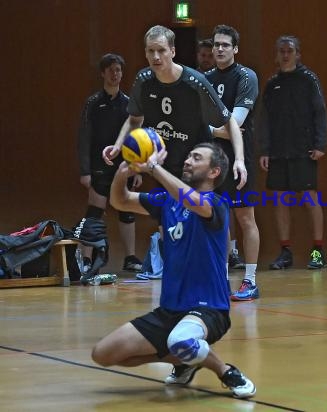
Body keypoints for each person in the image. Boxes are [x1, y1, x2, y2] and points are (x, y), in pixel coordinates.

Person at [91, 142, 256, 399]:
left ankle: (225, 371)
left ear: (214, 172)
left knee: (181, 340)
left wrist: (154, 167)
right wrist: (124, 170)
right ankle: (183, 362)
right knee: (103, 354)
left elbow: (193, 201)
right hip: (170, 310)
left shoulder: (216, 203)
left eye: (197, 158)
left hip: (209, 308)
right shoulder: (166, 202)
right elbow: (120, 201)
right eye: (188, 155)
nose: (188, 161)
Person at [102, 25, 246, 192]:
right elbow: (134, 119)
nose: (156, 56)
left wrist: (239, 160)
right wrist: (118, 146)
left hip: (195, 167)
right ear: (145, 53)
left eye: (161, 50)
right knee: (167, 216)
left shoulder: (195, 82)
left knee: (195, 215)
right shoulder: (143, 80)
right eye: (151, 51)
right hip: (163, 166)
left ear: (173, 52)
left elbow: (230, 122)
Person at [259, 35, 327, 270]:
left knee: (310, 199)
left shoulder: (309, 79)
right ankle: (285, 251)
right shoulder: (272, 83)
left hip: (304, 149)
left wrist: (320, 144)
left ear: (298, 54)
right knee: (279, 200)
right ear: (276, 55)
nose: (285, 55)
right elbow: (265, 119)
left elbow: (320, 112)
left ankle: (318, 251)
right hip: (278, 151)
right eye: (281, 51)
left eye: (290, 50)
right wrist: (265, 150)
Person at [205, 25, 260, 301]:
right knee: (220, 220)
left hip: (242, 157)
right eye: (216, 44)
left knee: (245, 217)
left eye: (226, 44)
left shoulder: (246, 76)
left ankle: (250, 280)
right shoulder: (204, 79)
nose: (220, 49)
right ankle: (222, 279)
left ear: (235, 48)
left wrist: (210, 130)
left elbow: (235, 125)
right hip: (214, 159)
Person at [77, 53, 143, 273]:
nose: (115, 74)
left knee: (127, 210)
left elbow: (137, 137)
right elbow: (84, 138)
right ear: (103, 73)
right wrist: (85, 171)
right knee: (94, 212)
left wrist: (138, 169)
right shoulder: (93, 103)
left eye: (119, 70)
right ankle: (86, 259)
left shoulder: (128, 103)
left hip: (124, 166)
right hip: (98, 165)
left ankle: (131, 257)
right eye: (111, 70)